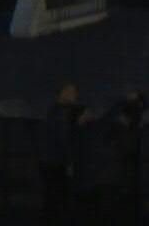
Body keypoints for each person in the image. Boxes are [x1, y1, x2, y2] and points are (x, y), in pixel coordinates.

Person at [40, 83, 86, 222]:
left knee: (52, 199)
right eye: (71, 92)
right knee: (60, 200)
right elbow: (64, 137)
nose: (74, 95)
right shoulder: (62, 113)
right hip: (58, 162)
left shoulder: (53, 110)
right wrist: (70, 161)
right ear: (63, 93)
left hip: (49, 160)